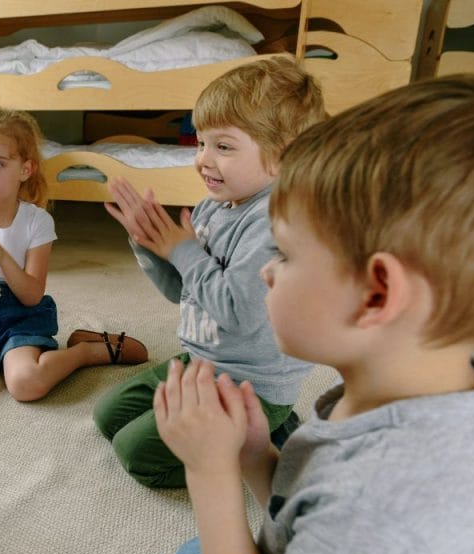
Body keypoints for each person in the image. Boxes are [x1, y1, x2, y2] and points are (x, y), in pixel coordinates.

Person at [159, 75, 474, 554]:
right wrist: (253, 455)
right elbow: (306, 502)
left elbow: (340, 511)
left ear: (376, 294)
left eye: (284, 254)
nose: (266, 271)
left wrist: (209, 471)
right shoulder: (403, 389)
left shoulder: (381, 516)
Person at [92, 56, 327, 488]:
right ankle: (258, 432)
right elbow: (182, 292)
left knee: (137, 455)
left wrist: (183, 249)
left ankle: (264, 434)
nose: (202, 159)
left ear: (281, 155)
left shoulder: (278, 222)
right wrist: (148, 245)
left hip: (250, 386)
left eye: (223, 146)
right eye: (200, 143)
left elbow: (237, 310)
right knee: (107, 417)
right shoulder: (213, 207)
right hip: (203, 359)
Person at [0, 106, 148, 402]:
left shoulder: (38, 222)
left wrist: (0, 255)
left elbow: (32, 295)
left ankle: (83, 352)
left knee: (26, 385)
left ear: (25, 169)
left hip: (22, 314)